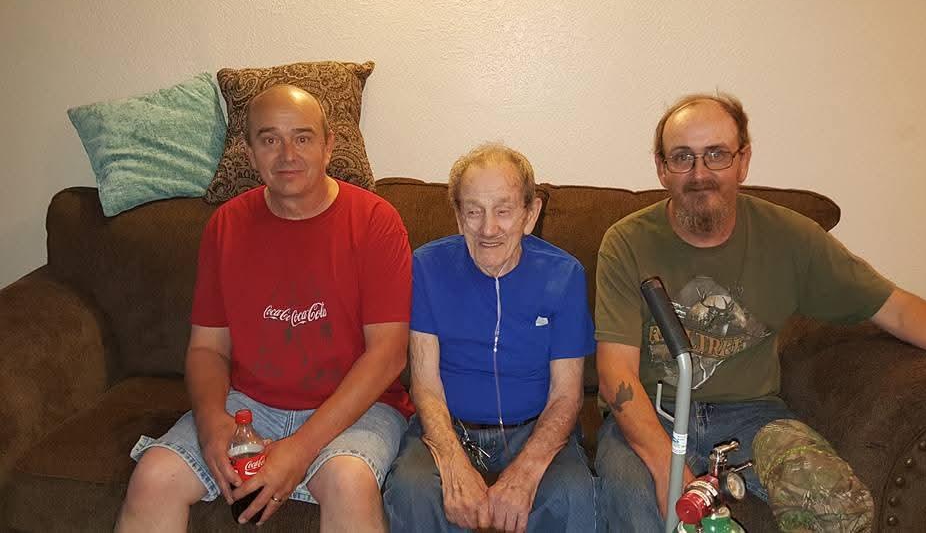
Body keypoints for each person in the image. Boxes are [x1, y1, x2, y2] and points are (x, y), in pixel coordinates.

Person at [594, 93, 926, 530]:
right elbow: (617, 374)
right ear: (661, 168)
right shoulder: (626, 243)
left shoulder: (789, 237)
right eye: (682, 158)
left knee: (835, 504)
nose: (700, 174)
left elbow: (896, 310)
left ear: (743, 161)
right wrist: (667, 475)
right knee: (640, 512)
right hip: (655, 416)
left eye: (716, 155)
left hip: (752, 416)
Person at [115, 85, 413, 532]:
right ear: (250, 153)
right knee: (154, 476)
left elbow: (389, 353)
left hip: (357, 407)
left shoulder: (375, 220)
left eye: (304, 137)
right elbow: (207, 349)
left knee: (349, 482)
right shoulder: (227, 225)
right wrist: (211, 422)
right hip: (250, 404)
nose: (287, 153)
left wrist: (301, 448)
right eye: (269, 139)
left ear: (329, 146)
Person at [383, 143, 598, 532]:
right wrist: (452, 463)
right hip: (449, 428)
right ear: (458, 216)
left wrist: (527, 472)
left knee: (574, 495)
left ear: (530, 214)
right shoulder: (427, 267)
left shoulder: (564, 275)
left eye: (503, 210)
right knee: (411, 490)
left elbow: (567, 394)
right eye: (474, 211)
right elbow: (425, 383)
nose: (488, 229)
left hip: (536, 430)